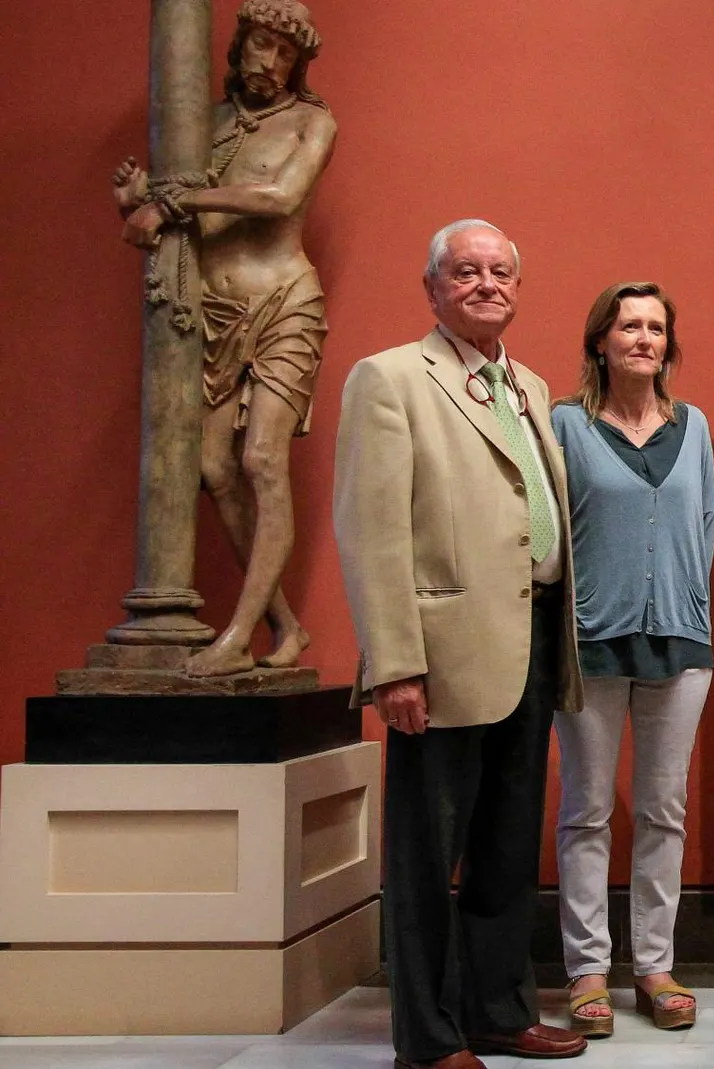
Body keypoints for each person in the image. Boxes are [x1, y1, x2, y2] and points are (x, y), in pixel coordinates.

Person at [333, 220, 587, 1069]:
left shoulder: (529, 383)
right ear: (433, 288)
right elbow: (370, 533)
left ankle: (498, 1010)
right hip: (437, 661)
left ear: (518, 285)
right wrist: (394, 662)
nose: (486, 283)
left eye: (501, 271)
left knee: (510, 848)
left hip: (529, 644)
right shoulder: (393, 379)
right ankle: (429, 1039)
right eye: (466, 270)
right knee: (425, 856)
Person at [112, 0, 335, 676]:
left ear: (299, 64)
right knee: (212, 468)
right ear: (238, 48)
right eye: (259, 46)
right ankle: (286, 627)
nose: (268, 62)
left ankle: (238, 636)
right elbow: (185, 210)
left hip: (283, 303)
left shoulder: (313, 123)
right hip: (212, 313)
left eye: (284, 52)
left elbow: (277, 197)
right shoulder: (203, 127)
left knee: (261, 460)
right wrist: (141, 199)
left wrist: (173, 199)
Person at [553, 282, 714, 1037]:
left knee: (663, 810)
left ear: (667, 343)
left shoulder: (696, 427)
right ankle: (587, 969)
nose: (644, 338)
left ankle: (655, 963)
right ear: (601, 341)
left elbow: (703, 527)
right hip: (588, 640)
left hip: (680, 642)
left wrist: (683, 603)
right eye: (629, 326)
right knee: (586, 810)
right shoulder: (564, 425)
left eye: (656, 326)